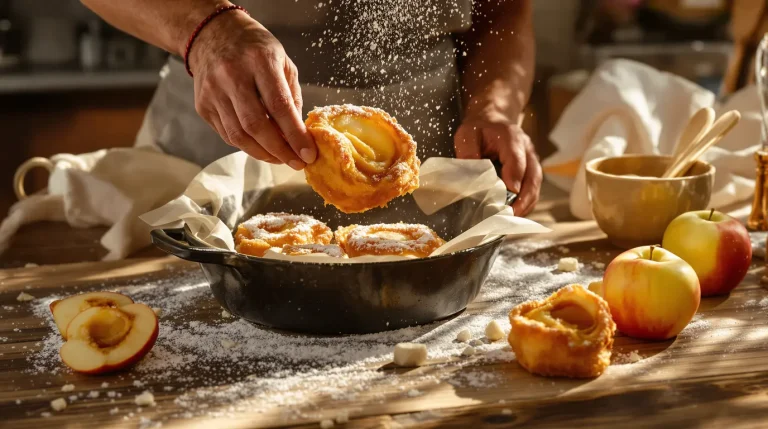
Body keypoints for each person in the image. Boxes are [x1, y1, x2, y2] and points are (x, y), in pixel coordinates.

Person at [81, 0, 541, 215]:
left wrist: (495, 107)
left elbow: (503, 11)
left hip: (437, 187)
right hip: (208, 167)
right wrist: (203, 30)